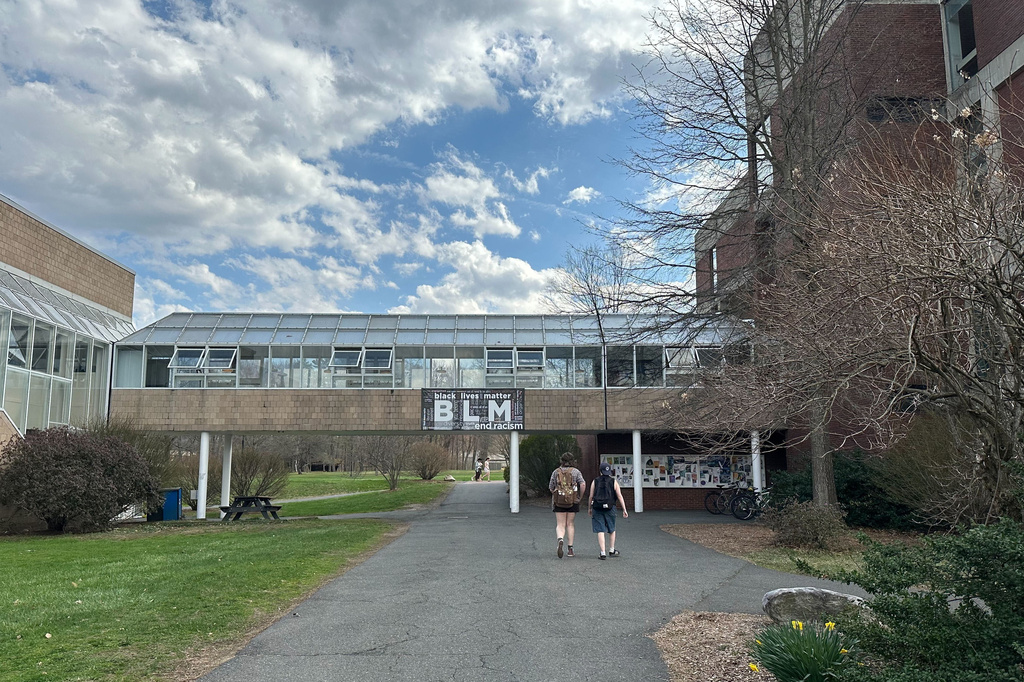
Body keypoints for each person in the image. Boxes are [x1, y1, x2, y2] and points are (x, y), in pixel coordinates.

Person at [548, 452, 586, 558]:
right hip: (572, 501)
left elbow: (551, 487)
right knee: (570, 524)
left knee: (560, 524)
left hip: (558, 501)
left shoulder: (556, 472)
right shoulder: (576, 472)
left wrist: (557, 494)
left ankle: (560, 539)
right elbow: (583, 484)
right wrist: (580, 497)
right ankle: (570, 549)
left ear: (561, 461)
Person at [588, 462, 628, 560]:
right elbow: (619, 495)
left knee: (600, 530)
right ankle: (611, 549)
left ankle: (602, 553)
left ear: (600, 471)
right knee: (611, 529)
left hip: (597, 508)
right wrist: (624, 509)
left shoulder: (595, 481)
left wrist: (589, 508)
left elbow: (591, 496)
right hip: (611, 508)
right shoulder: (613, 481)